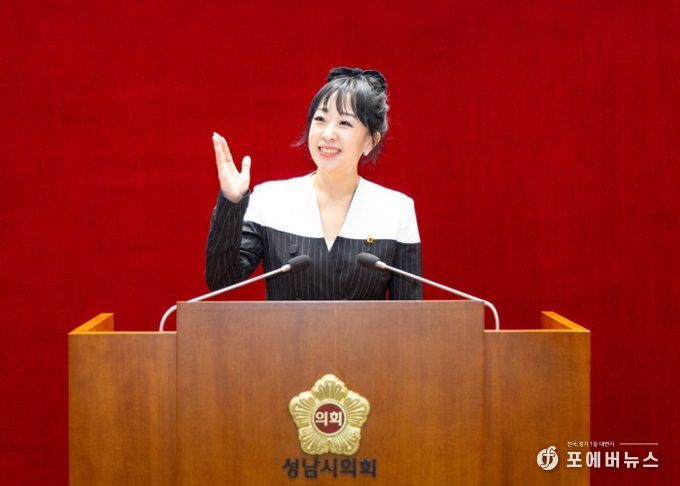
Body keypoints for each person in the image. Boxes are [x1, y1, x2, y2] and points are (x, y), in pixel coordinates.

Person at [205, 67, 422, 300]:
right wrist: (232, 202)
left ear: (370, 140)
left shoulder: (396, 209)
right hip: (287, 327)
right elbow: (222, 279)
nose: (328, 134)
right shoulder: (270, 199)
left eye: (344, 123)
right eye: (320, 119)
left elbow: (409, 314)